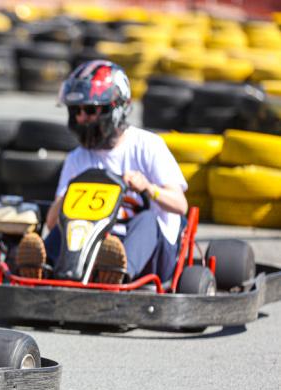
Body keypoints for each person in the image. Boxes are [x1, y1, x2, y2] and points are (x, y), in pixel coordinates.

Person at [16, 59, 188, 284]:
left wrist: (148, 188)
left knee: (147, 219)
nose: (81, 118)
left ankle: (119, 274)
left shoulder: (148, 145)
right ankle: (41, 269)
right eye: (76, 110)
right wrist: (68, 195)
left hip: (148, 251)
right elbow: (51, 223)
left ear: (115, 108)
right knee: (66, 225)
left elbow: (180, 205)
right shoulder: (77, 158)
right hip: (92, 243)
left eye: (90, 110)